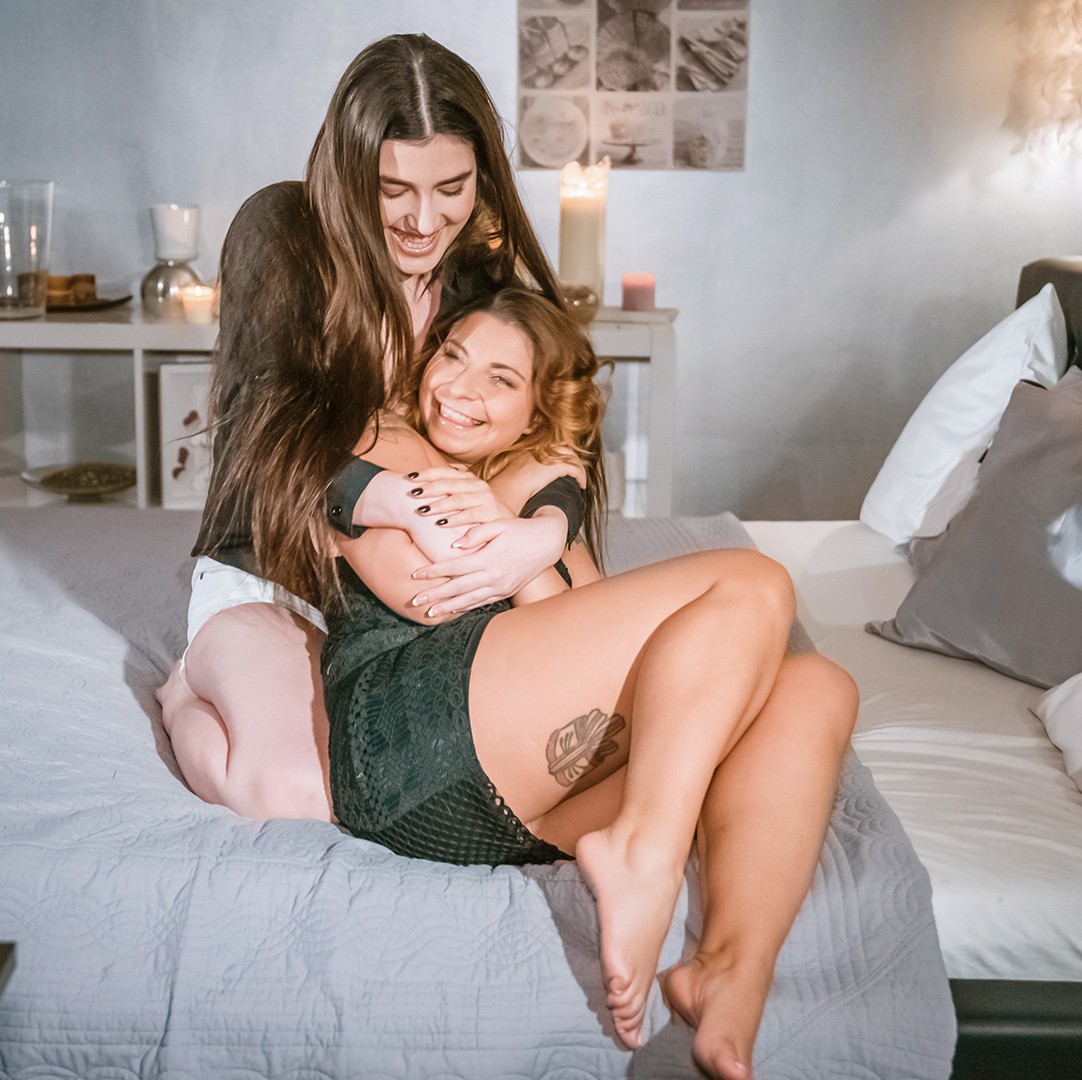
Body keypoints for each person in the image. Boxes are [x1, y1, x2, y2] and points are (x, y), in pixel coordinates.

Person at [326, 291, 859, 1080]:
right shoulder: (386, 435)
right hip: (405, 739)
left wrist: (533, 525)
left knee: (816, 686)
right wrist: (528, 528)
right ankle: (646, 849)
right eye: (452, 356)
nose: (459, 387)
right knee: (754, 582)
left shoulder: (530, 490)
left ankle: (729, 970)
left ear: (538, 411)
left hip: (510, 798)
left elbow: (580, 642)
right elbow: (431, 590)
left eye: (501, 378)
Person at [158, 34, 572, 821]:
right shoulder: (283, 233)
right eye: (393, 189)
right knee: (299, 795)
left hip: (386, 598)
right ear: (349, 173)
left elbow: (557, 427)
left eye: (452, 187)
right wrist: (391, 499)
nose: (425, 219)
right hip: (273, 569)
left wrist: (542, 535)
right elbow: (256, 442)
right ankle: (181, 695)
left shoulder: (475, 275)